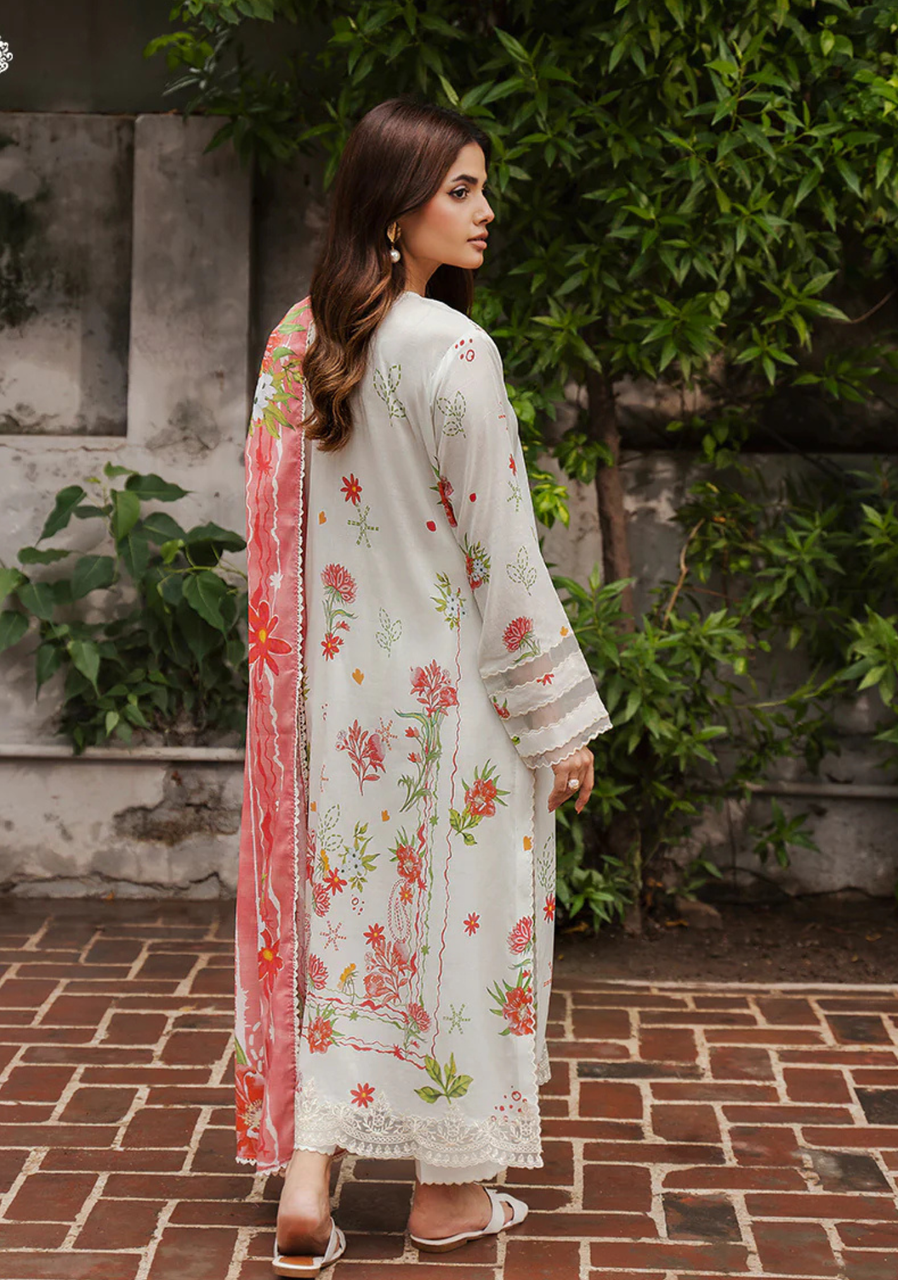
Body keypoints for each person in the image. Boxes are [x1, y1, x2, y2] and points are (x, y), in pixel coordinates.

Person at [235, 97, 613, 1277]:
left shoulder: (299, 344)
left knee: (344, 931)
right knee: (457, 932)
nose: (485, 209)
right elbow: (502, 557)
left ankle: (311, 1173)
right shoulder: (455, 351)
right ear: (394, 207)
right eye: (460, 189)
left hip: (330, 712)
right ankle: (447, 1199)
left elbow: (271, 549)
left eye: (481, 187)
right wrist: (558, 719)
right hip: (454, 707)